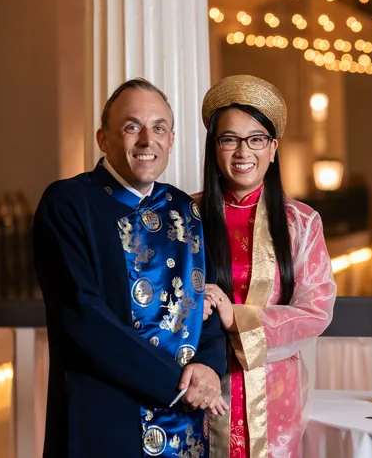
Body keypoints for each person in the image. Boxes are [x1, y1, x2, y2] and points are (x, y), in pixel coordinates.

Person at [33, 78, 228, 458]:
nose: (146, 140)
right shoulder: (69, 203)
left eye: (158, 128)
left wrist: (207, 365)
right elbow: (83, 317)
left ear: (171, 139)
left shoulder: (183, 208)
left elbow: (208, 299)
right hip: (108, 419)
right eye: (131, 127)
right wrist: (180, 384)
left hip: (186, 426)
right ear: (103, 138)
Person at [197, 75, 337, 457]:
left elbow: (316, 310)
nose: (243, 152)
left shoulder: (301, 222)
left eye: (256, 139)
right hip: (201, 393)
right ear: (214, 147)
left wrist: (235, 318)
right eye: (229, 139)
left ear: (273, 149)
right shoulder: (185, 217)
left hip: (275, 398)